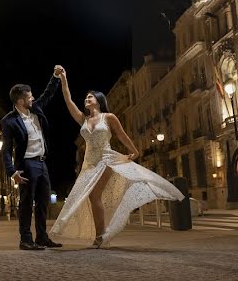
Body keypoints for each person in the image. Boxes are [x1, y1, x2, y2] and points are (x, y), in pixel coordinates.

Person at [50, 69, 185, 248]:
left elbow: (121, 135)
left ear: (99, 100)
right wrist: (64, 78)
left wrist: (134, 151)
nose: (86, 99)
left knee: (94, 194)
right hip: (89, 163)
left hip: (107, 159)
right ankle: (101, 234)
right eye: (86, 97)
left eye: (90, 97)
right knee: (91, 197)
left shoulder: (109, 117)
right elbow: (68, 100)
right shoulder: (83, 119)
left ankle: (100, 236)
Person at [0, 65, 62, 251]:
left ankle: (42, 237)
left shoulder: (35, 109)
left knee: (43, 202)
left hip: (42, 163)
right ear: (20, 101)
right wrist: (12, 172)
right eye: (29, 96)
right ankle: (25, 240)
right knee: (27, 202)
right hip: (26, 164)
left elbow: (48, 94)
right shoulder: (9, 121)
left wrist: (55, 76)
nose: (33, 98)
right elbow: (6, 149)